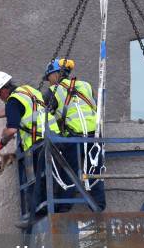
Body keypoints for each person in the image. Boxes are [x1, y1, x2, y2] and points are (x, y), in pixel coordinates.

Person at [0, 71, 61, 216]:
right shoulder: (27, 90)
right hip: (55, 137)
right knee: (52, 176)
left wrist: (1, 142)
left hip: (38, 142)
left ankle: (37, 215)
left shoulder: (12, 101)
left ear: (3, 90)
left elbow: (11, 130)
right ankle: (50, 209)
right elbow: (14, 110)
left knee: (35, 182)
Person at [41, 58, 106, 211]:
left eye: (48, 77)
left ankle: (64, 207)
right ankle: (99, 205)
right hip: (94, 136)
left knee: (68, 171)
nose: (48, 82)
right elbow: (92, 107)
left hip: (73, 137)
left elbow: (42, 115)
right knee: (94, 171)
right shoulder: (85, 86)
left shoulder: (53, 91)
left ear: (55, 74)